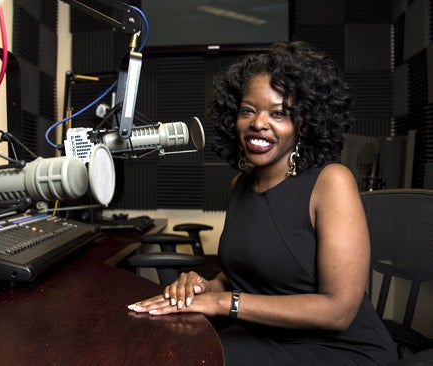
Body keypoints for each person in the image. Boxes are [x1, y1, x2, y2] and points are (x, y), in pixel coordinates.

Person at [127, 41, 397, 365]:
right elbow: (246, 274)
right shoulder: (240, 184)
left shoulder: (331, 181)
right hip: (265, 333)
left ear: (304, 124)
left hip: (340, 350)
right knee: (172, 345)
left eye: (279, 113)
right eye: (247, 110)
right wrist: (205, 288)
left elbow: (338, 311)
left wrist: (224, 303)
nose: (258, 123)